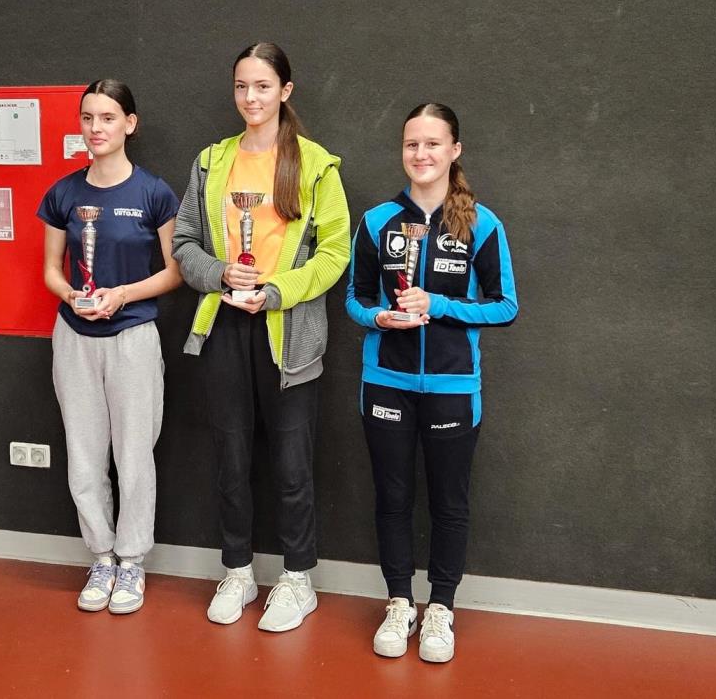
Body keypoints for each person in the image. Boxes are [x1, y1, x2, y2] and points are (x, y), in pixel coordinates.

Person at [173, 42, 350, 632]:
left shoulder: (317, 165)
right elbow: (184, 243)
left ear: (285, 91)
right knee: (231, 459)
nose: (251, 98)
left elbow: (334, 255)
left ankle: (298, 580)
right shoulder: (210, 162)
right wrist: (220, 274)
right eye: (241, 86)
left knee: (293, 466)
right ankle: (238, 571)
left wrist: (275, 292)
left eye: (263, 86)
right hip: (223, 327)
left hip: (289, 334)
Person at [346, 103, 518, 662]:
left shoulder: (481, 224)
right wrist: (380, 318)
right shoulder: (377, 221)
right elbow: (354, 298)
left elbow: (506, 306)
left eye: (432, 144)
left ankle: (441, 607)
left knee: (449, 502)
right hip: (386, 382)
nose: (420, 154)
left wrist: (439, 305)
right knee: (392, 498)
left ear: (454, 150)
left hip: (452, 386)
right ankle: (399, 603)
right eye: (411, 144)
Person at [38, 79, 181, 615]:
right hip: (75, 338)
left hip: (133, 337)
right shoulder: (63, 194)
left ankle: (132, 561)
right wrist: (72, 296)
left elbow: (174, 273)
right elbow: (52, 271)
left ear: (130, 124)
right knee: (84, 455)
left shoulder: (154, 193)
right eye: (88, 118)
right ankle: (101, 556)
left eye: (107, 118)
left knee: (134, 455)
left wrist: (121, 295)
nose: (95, 128)